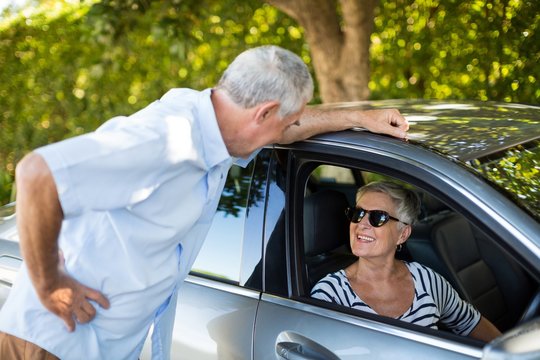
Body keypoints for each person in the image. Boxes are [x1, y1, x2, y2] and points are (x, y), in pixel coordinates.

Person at [0, 45, 408, 359]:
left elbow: (291, 127)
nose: (287, 130)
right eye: (283, 122)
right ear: (262, 113)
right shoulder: (164, 138)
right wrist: (48, 281)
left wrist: (362, 119)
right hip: (53, 343)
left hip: (104, 344)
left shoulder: (217, 121)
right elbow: (38, 173)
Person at [311, 181, 501, 342]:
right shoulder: (329, 294)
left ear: (403, 234)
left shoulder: (426, 279)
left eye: (378, 217)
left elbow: (470, 322)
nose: (361, 224)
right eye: (358, 213)